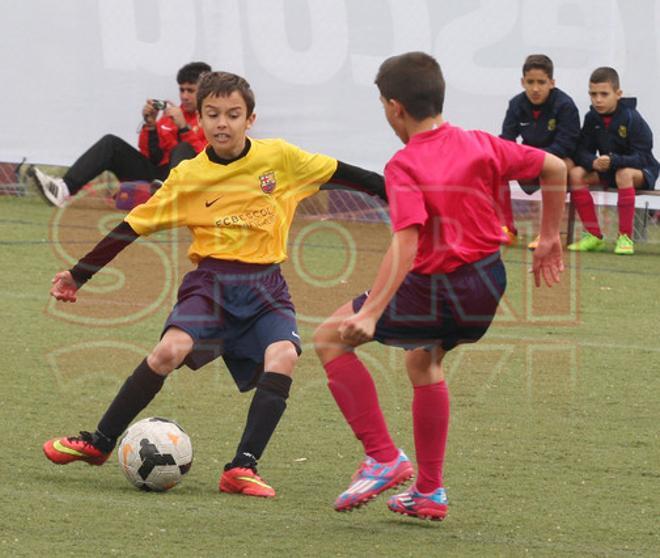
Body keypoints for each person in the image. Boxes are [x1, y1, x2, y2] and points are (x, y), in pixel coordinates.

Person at [42, 71, 388, 498]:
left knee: (283, 356)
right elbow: (132, 225)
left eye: (233, 114)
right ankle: (99, 442)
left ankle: (242, 467)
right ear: (199, 120)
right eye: (213, 114)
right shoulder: (188, 175)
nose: (223, 123)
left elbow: (345, 173)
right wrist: (78, 275)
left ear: (251, 119)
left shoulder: (279, 158)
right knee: (169, 350)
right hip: (210, 284)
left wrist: (399, 194)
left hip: (266, 288)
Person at [313, 52, 566, 521]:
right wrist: (550, 235)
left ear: (394, 107)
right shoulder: (480, 143)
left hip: (437, 288)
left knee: (329, 338)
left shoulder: (404, 164)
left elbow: (406, 242)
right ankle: (428, 492)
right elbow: (554, 167)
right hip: (487, 285)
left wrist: (370, 312)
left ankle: (383, 457)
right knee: (423, 361)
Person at [33, 61, 211, 207]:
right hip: (159, 180)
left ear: (203, 91)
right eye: (182, 90)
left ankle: (169, 199)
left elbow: (209, 159)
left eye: (190, 90)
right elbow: (151, 156)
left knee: (183, 148)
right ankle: (63, 189)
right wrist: (150, 126)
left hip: (191, 184)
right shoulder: (170, 115)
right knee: (111, 143)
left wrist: (184, 128)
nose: (184, 96)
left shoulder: (212, 117)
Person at [567, 66, 659, 255]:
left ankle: (624, 238)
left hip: (641, 170)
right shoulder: (592, 117)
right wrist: (593, 162)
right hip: (609, 169)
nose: (598, 99)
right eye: (593, 94)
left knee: (623, 174)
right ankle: (593, 235)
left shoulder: (632, 118)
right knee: (576, 173)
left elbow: (642, 156)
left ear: (618, 94)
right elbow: (581, 150)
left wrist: (614, 160)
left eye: (604, 94)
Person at [499, 54, 580, 249]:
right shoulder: (516, 104)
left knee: (551, 170)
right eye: (530, 82)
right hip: (531, 158)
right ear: (522, 82)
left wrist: (537, 160)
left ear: (552, 82)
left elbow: (566, 144)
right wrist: (507, 157)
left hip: (562, 159)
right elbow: (507, 140)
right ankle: (506, 228)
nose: (535, 88)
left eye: (541, 82)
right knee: (498, 169)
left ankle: (547, 233)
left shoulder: (565, 105)